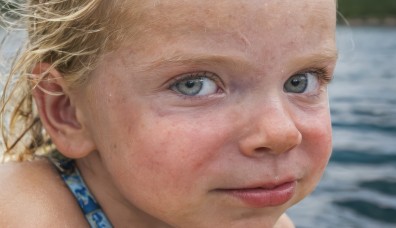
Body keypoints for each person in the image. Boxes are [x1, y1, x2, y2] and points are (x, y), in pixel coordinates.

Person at [0, 0, 338, 227]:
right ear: (68, 112)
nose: (281, 133)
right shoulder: (22, 211)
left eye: (301, 81)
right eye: (195, 85)